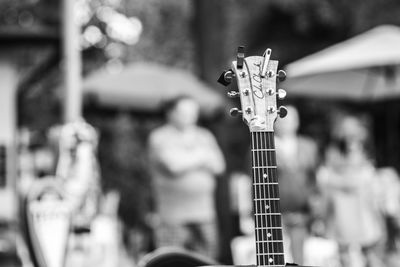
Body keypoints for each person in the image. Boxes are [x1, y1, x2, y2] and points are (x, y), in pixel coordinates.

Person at [148, 95, 226, 259]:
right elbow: (174, 166)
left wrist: (187, 158)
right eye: (184, 112)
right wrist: (202, 156)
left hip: (205, 213)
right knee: (171, 261)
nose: (190, 116)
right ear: (170, 113)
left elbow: (219, 166)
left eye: (193, 112)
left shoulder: (205, 135)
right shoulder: (160, 137)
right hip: (173, 216)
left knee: (207, 262)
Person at [317, 113, 384, 267]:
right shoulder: (334, 151)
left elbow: (367, 175)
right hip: (342, 206)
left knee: (368, 247)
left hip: (361, 206)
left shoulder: (364, 150)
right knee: (344, 247)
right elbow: (326, 176)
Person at [274, 105, 319, 265]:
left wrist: (317, 208)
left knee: (298, 256)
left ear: (297, 122)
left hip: (301, 212)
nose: (286, 123)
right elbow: (249, 180)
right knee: (275, 254)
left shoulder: (308, 146)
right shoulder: (263, 146)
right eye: (282, 118)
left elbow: (315, 179)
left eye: (290, 119)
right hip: (273, 211)